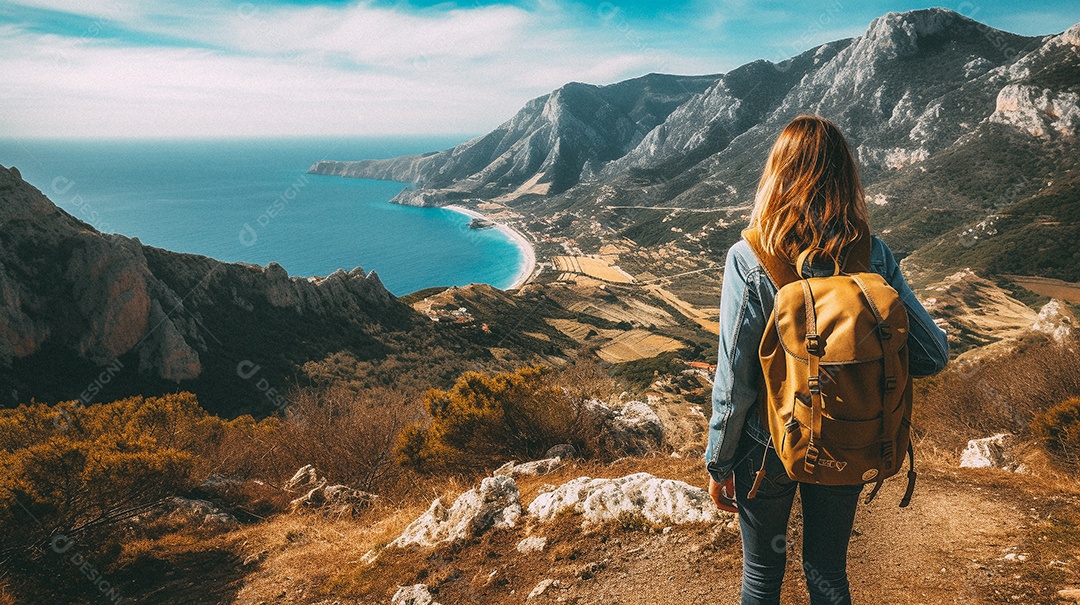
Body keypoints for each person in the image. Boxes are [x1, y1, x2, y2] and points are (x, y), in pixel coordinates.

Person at [704, 114, 950, 605]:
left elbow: (735, 384)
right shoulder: (873, 256)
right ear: (846, 178)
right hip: (846, 435)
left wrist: (719, 463)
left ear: (775, 175)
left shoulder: (749, 256)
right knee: (827, 572)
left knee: (761, 576)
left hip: (764, 448)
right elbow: (931, 355)